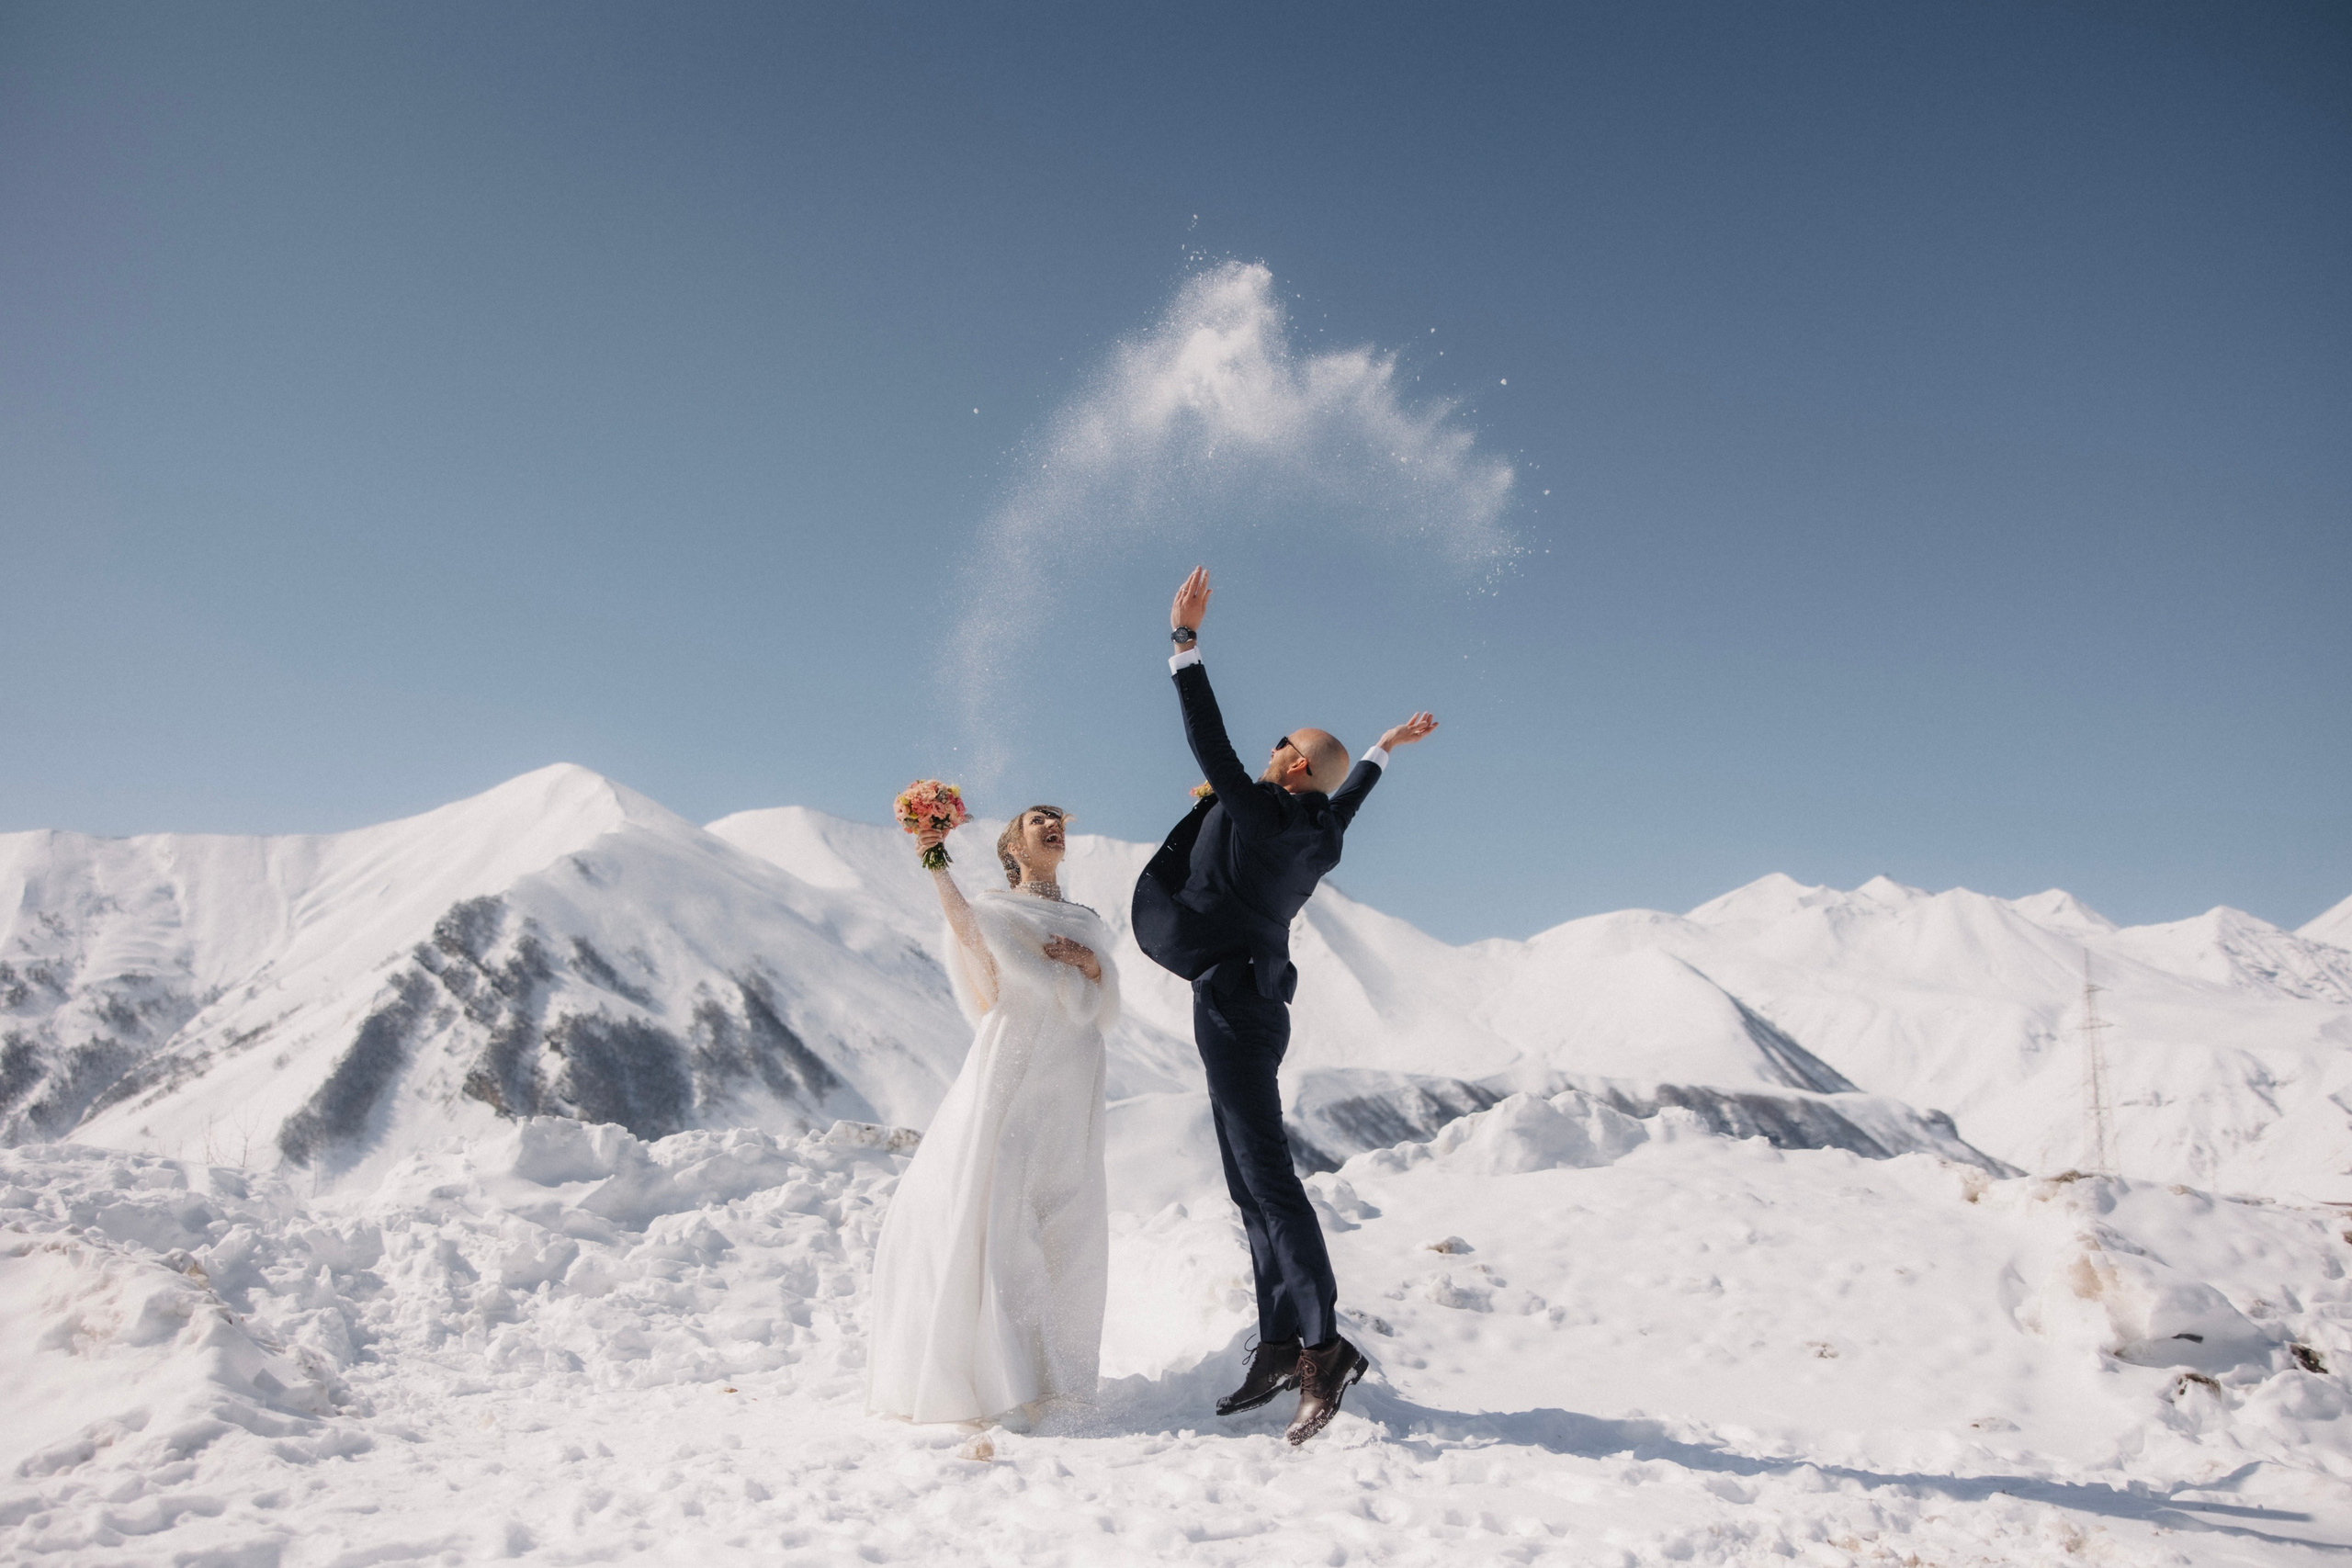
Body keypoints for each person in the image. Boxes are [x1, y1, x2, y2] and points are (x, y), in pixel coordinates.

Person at [1131, 566, 1438, 1445]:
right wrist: (1381, 750)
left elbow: (1210, 743)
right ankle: (1276, 1342)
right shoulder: (1320, 833)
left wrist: (1185, 644)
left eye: (1279, 747)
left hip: (1234, 1003)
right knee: (1246, 1180)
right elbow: (1350, 799)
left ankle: (1323, 1348)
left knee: (1267, 1180)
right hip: (1256, 1001)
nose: (1266, 753)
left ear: (1292, 766)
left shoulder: (1268, 815)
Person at [866, 805, 1120, 1426]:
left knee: (1067, 1220)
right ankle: (992, 1377)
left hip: (1073, 1074)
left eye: (1058, 820)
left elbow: (1103, 998)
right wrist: (935, 861)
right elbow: (967, 933)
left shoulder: (1087, 922)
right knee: (1002, 1205)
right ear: (1013, 846)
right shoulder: (997, 910)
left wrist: (1092, 965)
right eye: (1038, 820)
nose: (1054, 825)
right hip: (1017, 1065)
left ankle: (1053, 1375)